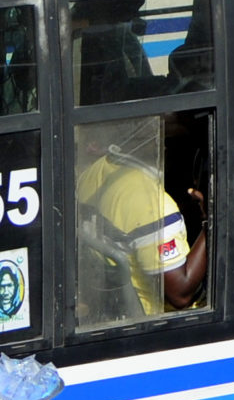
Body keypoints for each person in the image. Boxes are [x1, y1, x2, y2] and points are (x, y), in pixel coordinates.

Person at [75, 119, 210, 322]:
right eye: (158, 127)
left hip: (115, 310)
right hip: (163, 323)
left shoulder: (95, 172)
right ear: (144, 137)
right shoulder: (151, 204)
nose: (165, 135)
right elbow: (180, 295)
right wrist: (214, 221)